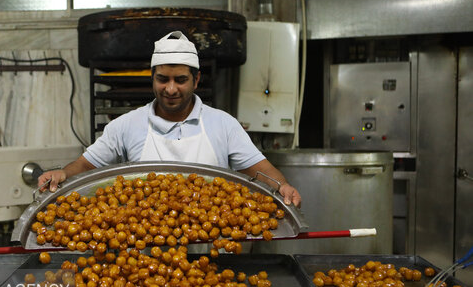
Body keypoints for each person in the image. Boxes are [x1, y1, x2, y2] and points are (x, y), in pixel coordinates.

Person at [39, 30, 301, 207]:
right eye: (163, 79)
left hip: (212, 250)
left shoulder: (223, 124)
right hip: (143, 251)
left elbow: (262, 170)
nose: (171, 89)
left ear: (196, 80)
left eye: (181, 80)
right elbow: (86, 165)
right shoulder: (125, 125)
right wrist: (62, 172)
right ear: (152, 78)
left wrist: (283, 186)